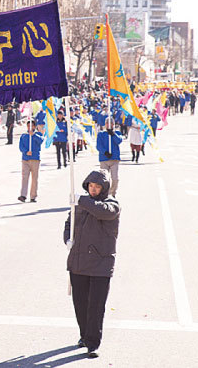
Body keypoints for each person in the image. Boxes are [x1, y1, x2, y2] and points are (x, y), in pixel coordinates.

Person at [63, 169, 120, 358]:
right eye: (91, 186)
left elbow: (102, 212)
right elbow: (69, 223)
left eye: (97, 186)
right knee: (80, 303)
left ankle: (93, 343)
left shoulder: (112, 204)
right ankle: (84, 335)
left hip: (101, 263)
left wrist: (81, 200)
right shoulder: (79, 204)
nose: (93, 189)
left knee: (96, 306)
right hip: (78, 261)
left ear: (104, 188)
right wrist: (67, 239)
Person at [18, 121, 44, 203]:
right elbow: (21, 146)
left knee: (34, 178)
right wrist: (26, 152)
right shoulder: (24, 136)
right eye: (28, 126)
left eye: (31, 126)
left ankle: (33, 196)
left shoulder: (38, 134)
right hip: (25, 159)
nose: (30, 128)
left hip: (35, 159)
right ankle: (23, 195)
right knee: (24, 177)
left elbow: (41, 141)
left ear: (34, 126)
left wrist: (33, 135)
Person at [96, 117, 122, 196]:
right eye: (107, 123)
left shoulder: (117, 133)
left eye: (111, 123)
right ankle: (105, 193)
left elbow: (119, 141)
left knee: (115, 178)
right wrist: (105, 152)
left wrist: (113, 134)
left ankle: (112, 193)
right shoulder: (101, 134)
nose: (109, 125)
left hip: (114, 159)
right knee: (104, 179)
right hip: (104, 159)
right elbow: (98, 146)